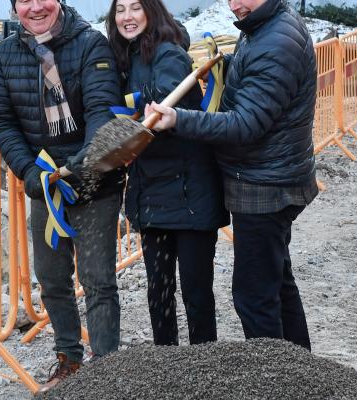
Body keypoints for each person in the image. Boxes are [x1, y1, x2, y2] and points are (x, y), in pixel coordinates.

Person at [145, 0, 318, 351]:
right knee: (277, 283)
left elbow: (246, 123)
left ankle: (275, 382)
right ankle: (301, 372)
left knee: (255, 296)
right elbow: (256, 89)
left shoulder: (276, 42)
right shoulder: (266, 26)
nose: (235, 5)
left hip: (265, 186)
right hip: (273, 176)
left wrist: (179, 119)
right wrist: (227, 70)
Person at [0, 0, 123, 390]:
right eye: (24, 0)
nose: (35, 7)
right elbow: (1, 118)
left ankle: (106, 369)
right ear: (15, 8)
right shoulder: (6, 53)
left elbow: (101, 106)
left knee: (98, 279)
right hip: (45, 183)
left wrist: (87, 156)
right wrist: (28, 171)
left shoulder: (90, 44)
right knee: (51, 279)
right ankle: (69, 359)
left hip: (93, 177)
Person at [106, 0, 229, 346]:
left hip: (191, 191)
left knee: (195, 291)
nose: (127, 17)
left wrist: (121, 105)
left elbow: (163, 96)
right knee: (158, 292)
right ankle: (165, 367)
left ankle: (204, 367)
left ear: (151, 10)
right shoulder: (124, 56)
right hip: (152, 191)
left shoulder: (170, 53)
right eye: (120, 10)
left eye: (135, 8)